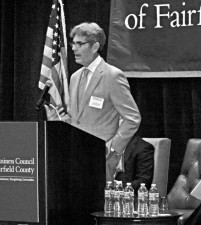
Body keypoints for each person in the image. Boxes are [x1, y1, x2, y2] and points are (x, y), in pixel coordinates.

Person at [44, 22, 141, 181]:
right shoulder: (75, 77)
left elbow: (132, 118)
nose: (74, 48)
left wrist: (113, 149)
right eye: (73, 44)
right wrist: (59, 122)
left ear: (95, 46)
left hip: (101, 160)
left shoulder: (113, 76)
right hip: (75, 157)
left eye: (79, 44)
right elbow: (77, 119)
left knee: (96, 206)